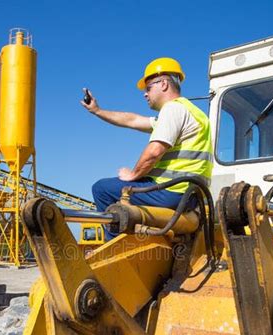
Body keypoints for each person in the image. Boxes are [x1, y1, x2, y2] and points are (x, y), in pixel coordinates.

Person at [81, 57, 213, 238]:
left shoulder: (172, 109)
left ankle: (117, 247)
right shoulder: (193, 112)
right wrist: (98, 111)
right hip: (192, 194)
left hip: (172, 192)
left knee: (102, 189)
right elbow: (132, 120)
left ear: (164, 84)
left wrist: (133, 175)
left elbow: (154, 152)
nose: (145, 94)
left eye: (148, 88)